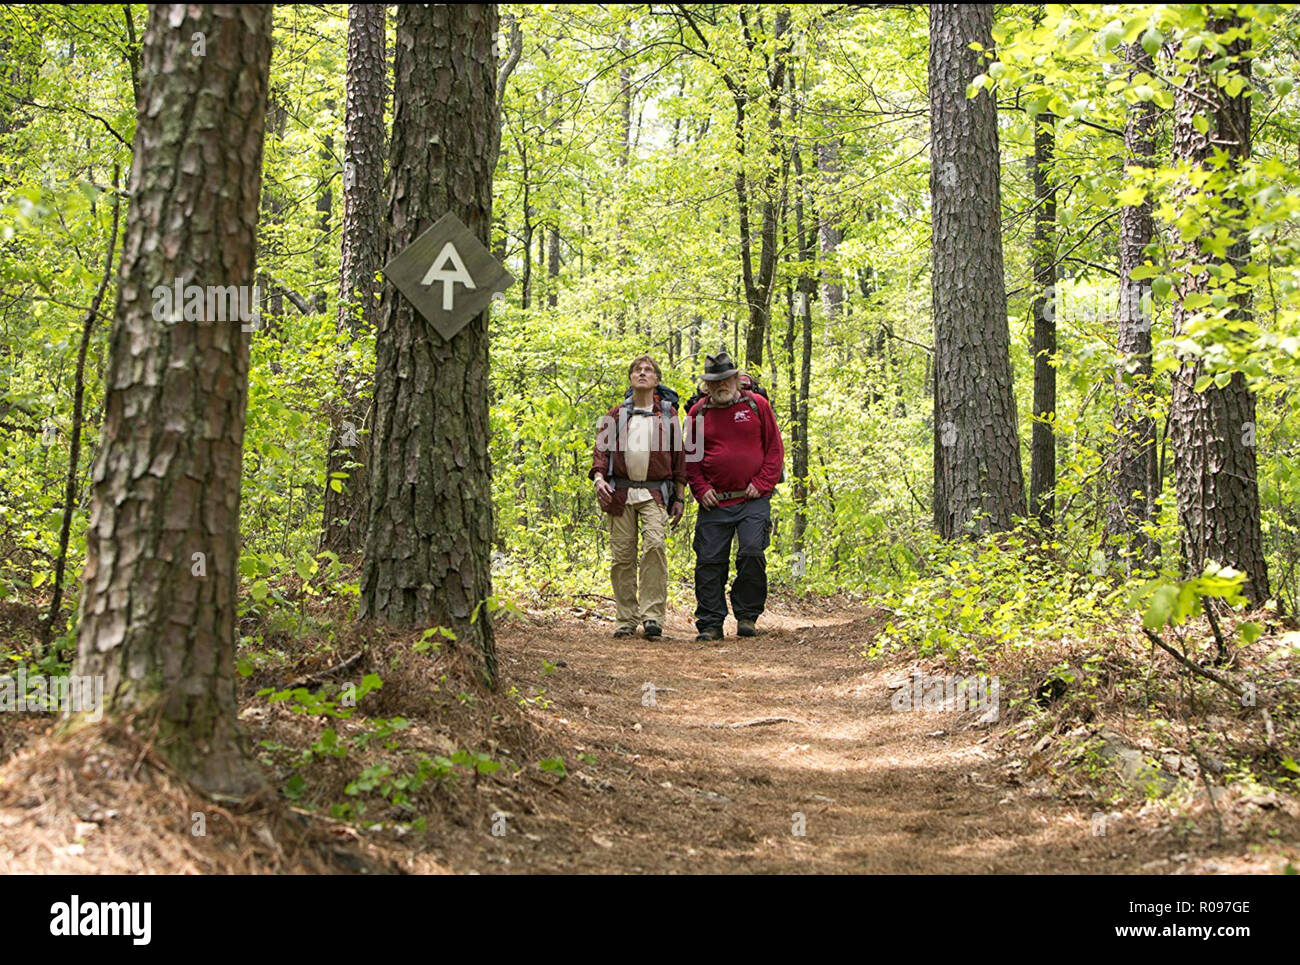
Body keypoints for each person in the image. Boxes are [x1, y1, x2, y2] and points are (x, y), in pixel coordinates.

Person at [686, 348, 785, 641]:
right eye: (714, 381)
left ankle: (747, 615)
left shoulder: (757, 406)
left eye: (726, 379)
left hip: (752, 499)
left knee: (752, 552)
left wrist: (763, 482)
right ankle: (710, 622)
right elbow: (690, 460)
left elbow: (774, 450)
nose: (721, 385)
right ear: (707, 385)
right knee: (709, 560)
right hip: (715, 502)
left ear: (735, 378)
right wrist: (701, 489)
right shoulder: (697, 413)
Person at [590, 355, 687, 639]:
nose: (642, 373)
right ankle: (625, 619)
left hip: (655, 493)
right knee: (622, 556)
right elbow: (600, 453)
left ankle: (653, 617)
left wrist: (679, 497)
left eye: (648, 370)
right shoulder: (616, 415)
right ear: (631, 378)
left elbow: (680, 459)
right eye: (637, 370)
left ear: (656, 380)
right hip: (620, 493)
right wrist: (598, 479)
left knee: (655, 546)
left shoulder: (668, 416)